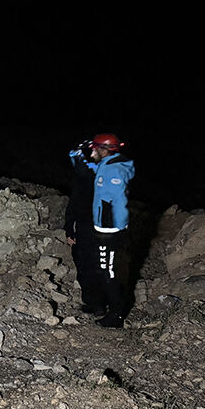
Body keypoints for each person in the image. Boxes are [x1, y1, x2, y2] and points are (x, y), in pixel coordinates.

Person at [87, 133, 135, 328]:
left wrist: (109, 229)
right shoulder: (106, 165)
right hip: (104, 227)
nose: (92, 151)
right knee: (103, 268)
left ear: (104, 149)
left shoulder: (114, 170)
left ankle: (116, 316)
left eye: (94, 148)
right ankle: (107, 306)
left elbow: (117, 201)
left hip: (110, 230)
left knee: (109, 271)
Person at [64, 139, 106, 316]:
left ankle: (101, 305)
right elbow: (73, 204)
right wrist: (69, 229)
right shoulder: (82, 178)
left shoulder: (104, 175)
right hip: (84, 226)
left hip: (99, 228)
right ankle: (91, 302)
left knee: (96, 266)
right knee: (83, 264)